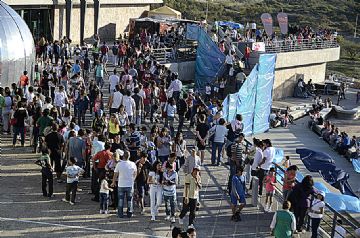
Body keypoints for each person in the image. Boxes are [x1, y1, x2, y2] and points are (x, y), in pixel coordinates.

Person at [111, 150, 137, 218]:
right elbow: (135, 173)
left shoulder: (119, 164)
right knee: (129, 200)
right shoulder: (133, 164)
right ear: (129, 156)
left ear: (123, 156)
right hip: (130, 184)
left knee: (120, 200)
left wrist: (113, 182)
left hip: (121, 184)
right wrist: (133, 180)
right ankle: (129, 213)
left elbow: (115, 174)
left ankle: (120, 214)